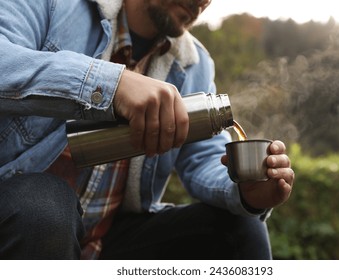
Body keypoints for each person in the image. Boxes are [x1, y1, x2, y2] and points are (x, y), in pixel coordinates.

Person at [0, 0, 294, 260]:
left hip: (107, 244)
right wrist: (112, 85)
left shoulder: (194, 64)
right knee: (46, 206)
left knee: (240, 226)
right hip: (20, 216)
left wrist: (245, 191)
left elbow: (205, 158)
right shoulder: (54, 5)